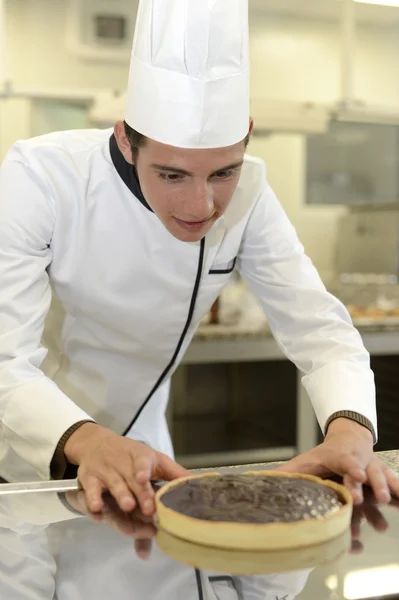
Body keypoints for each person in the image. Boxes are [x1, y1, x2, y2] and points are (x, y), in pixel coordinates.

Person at [0, 0, 397, 558]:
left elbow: (321, 330)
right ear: (124, 140)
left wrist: (351, 433)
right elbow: (4, 361)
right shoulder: (41, 178)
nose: (201, 204)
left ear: (248, 137)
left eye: (223, 172)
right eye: (171, 174)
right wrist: (85, 441)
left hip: (145, 460)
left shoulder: (253, 196)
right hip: (24, 460)